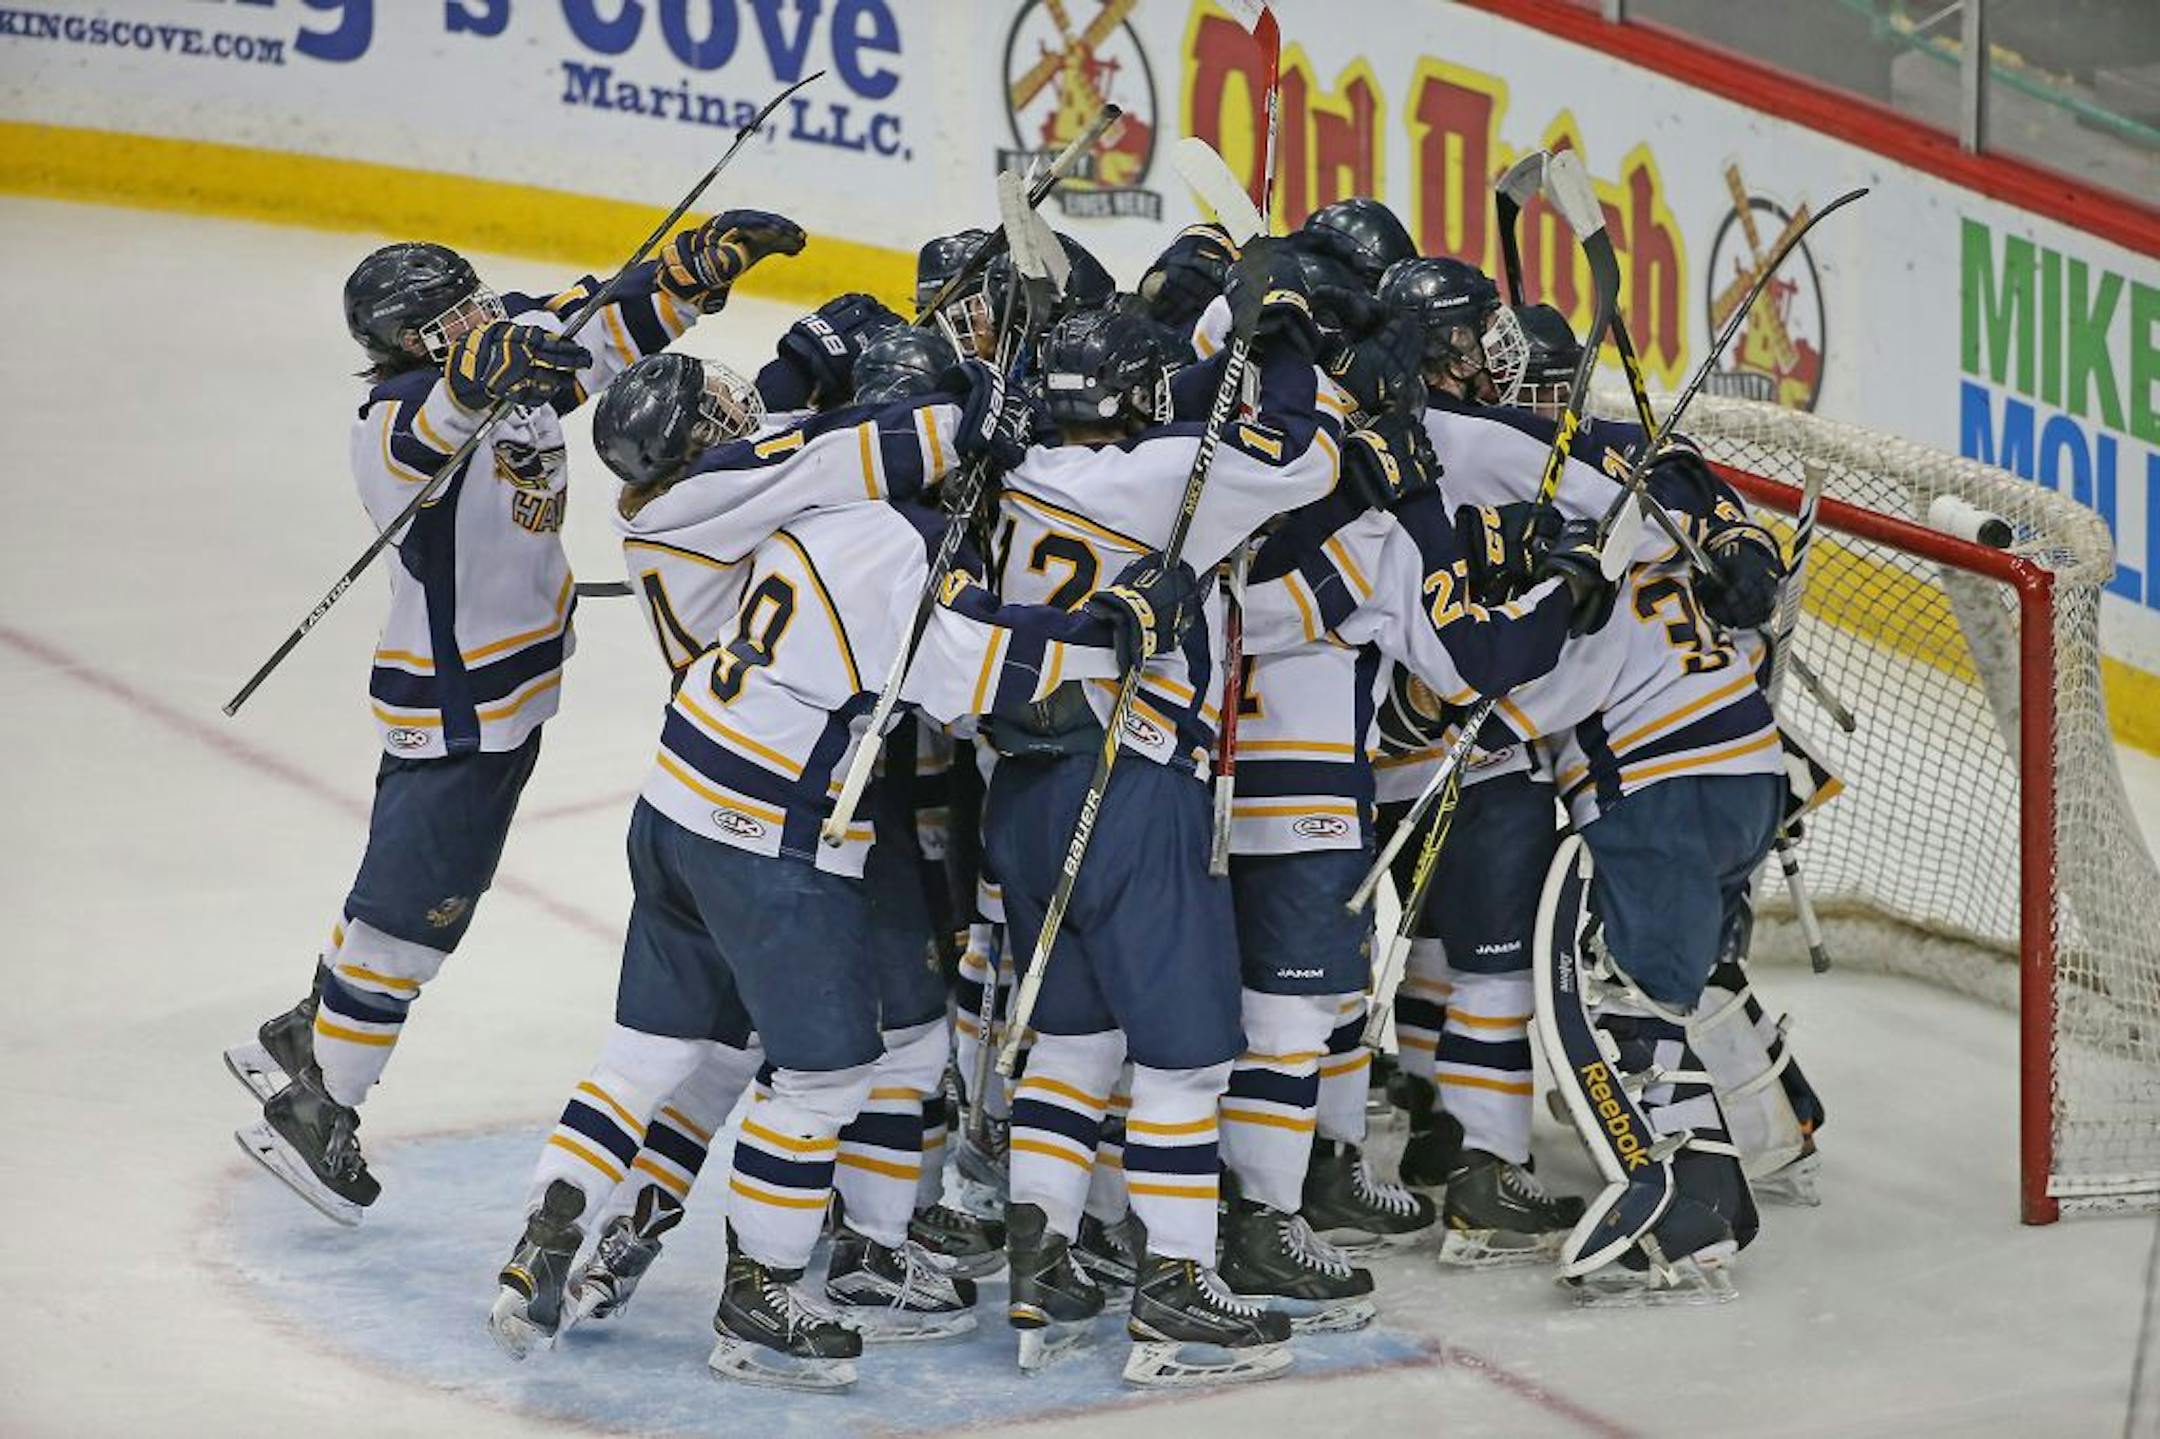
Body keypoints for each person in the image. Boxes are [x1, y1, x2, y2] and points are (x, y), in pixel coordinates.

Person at [483, 334, 1199, 1390]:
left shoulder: (782, 507)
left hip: (673, 801)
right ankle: (759, 1300)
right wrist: (1118, 634)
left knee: (644, 1052)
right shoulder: (883, 541)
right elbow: (965, 673)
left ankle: (540, 1245)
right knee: (824, 1074)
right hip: (767, 838)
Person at [225, 212, 805, 1225]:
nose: (487, 315)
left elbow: (606, 323)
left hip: (513, 692)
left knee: (411, 888)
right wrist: (468, 380)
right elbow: (417, 442)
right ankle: (318, 1104)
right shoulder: (397, 413)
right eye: (460, 315)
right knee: (415, 912)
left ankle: (312, 1026)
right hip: (456, 709)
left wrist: (693, 265)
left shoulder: (508, 357)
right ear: (418, 343)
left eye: (481, 299)